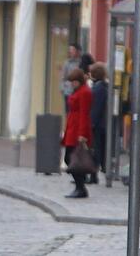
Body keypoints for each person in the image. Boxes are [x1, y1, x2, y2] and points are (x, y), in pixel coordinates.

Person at [62, 68, 93, 198]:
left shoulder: (84, 92)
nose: (72, 84)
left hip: (77, 130)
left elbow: (84, 114)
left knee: (72, 159)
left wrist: (82, 134)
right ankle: (79, 186)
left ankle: (81, 187)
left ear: (79, 80)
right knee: (69, 158)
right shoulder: (79, 91)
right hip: (72, 128)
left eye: (74, 81)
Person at [87, 63, 108, 185]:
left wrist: (92, 122)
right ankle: (93, 173)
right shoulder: (99, 86)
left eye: (91, 72)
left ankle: (93, 174)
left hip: (98, 124)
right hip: (99, 123)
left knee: (95, 150)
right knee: (96, 149)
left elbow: (96, 107)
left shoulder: (99, 88)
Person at [61, 44, 83, 113]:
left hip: (78, 92)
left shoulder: (81, 63)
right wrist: (63, 88)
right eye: (69, 50)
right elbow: (63, 77)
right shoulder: (67, 63)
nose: (70, 51)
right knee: (69, 112)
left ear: (78, 51)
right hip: (68, 92)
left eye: (72, 50)